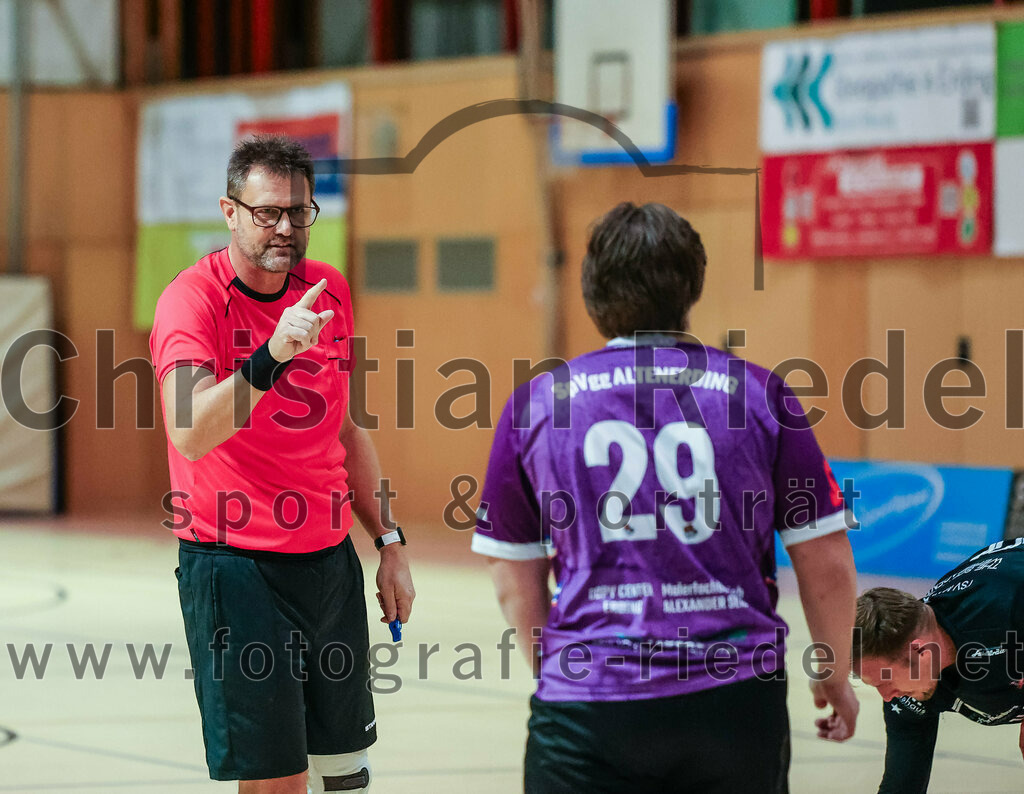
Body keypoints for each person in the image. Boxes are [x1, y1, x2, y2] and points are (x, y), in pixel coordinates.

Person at [472, 202, 860, 793]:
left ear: (591, 292)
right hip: (733, 698)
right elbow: (824, 556)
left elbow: (513, 573)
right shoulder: (760, 394)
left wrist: (561, 673)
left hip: (590, 704)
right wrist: (833, 669)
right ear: (692, 287)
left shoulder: (538, 404)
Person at [149, 135, 415, 794]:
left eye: (299, 213)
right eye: (268, 212)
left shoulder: (329, 290)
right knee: (277, 781)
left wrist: (389, 542)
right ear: (230, 211)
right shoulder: (192, 301)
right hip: (236, 568)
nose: (286, 228)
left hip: (327, 564)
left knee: (345, 773)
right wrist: (271, 354)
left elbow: (344, 429)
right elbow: (189, 431)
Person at [853, 538, 1024, 794]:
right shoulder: (909, 686)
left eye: (884, 680)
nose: (886, 695)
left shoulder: (1006, 612)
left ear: (921, 651)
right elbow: (902, 785)